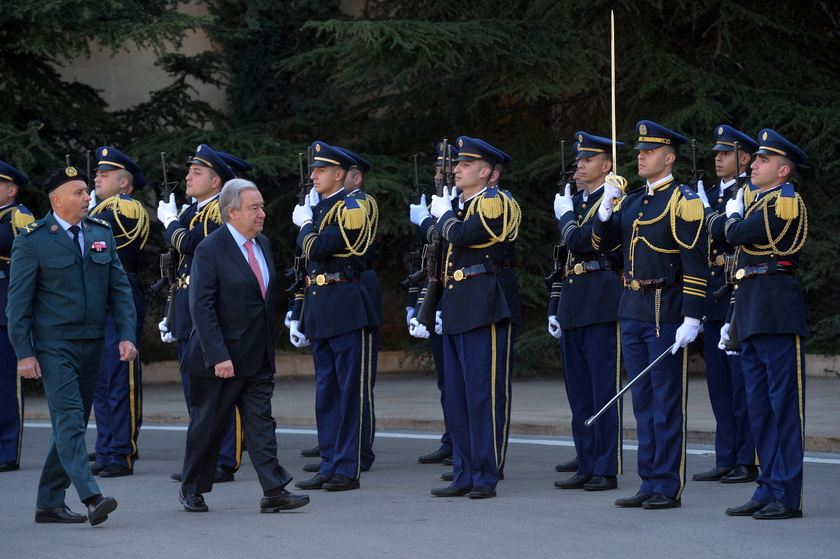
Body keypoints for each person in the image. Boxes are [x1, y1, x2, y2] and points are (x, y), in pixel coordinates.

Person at [6, 166, 137, 526]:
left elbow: (119, 289)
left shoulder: (101, 233)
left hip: (93, 342)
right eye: (79, 192)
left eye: (86, 191)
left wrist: (127, 334)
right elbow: (18, 304)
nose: (87, 197)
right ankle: (92, 496)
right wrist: (24, 352)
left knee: (71, 425)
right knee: (69, 420)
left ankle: (48, 502)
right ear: (58, 199)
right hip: (53, 345)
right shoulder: (32, 239)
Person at [593, 121, 708, 509]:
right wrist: (606, 206)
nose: (640, 156)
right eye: (639, 150)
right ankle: (648, 481)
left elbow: (696, 262)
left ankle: (667, 485)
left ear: (669, 157)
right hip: (632, 308)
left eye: (649, 151)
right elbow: (601, 244)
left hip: (666, 310)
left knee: (665, 401)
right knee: (641, 402)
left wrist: (693, 315)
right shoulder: (631, 200)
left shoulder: (683, 200)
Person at [178, 179, 309, 513]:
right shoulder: (210, 248)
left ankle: (274, 492)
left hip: (257, 357)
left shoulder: (262, 244)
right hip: (220, 360)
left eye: (262, 206)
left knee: (261, 425)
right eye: (254, 208)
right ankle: (192, 489)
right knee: (207, 427)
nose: (262, 213)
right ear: (231, 212)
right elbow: (201, 307)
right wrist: (218, 355)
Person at [424, 136, 522, 499]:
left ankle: (485, 474)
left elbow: (467, 235)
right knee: (459, 396)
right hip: (457, 306)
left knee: (483, 394)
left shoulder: (495, 201)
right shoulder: (459, 205)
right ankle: (463, 472)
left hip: (485, 305)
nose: (456, 169)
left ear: (486, 173)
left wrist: (444, 214)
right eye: (457, 164)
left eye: (465, 165)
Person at [721, 129, 808, 520]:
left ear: (783, 170)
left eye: (762, 161)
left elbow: (735, 234)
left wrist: (734, 213)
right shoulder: (756, 201)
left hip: (775, 305)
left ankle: (787, 494)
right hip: (752, 303)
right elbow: (729, 247)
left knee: (782, 406)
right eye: (754, 159)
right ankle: (767, 486)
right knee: (759, 408)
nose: (752, 164)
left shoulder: (784, 201)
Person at [290, 141, 380, 492]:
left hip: (346, 304)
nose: (313, 176)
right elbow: (307, 263)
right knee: (326, 390)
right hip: (321, 303)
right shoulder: (322, 208)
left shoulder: (356, 204)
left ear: (340, 175)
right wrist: (298, 309)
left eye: (321, 170)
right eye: (314, 170)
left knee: (349, 391)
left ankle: (348, 465)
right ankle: (329, 461)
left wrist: (305, 224)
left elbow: (320, 247)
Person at [157, 144, 244, 483]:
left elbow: (192, 246)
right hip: (187, 310)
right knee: (195, 392)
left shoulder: (217, 213)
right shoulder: (196, 213)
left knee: (220, 390)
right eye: (189, 171)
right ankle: (203, 457)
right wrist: (171, 311)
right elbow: (183, 270)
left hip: (209, 314)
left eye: (196, 172)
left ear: (216, 180)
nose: (187, 177)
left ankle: (224, 459)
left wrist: (170, 222)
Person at [551, 132, 624, 491]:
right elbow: (561, 259)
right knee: (578, 391)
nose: (579, 165)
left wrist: (564, 219)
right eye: (578, 159)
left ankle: (606, 466)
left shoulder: (614, 201)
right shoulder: (577, 202)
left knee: (602, 389)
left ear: (606, 166)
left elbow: (581, 241)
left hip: (601, 298)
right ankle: (586, 460)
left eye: (587, 159)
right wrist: (554, 304)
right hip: (574, 300)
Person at [692, 126, 759, 484]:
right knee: (718, 383)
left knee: (741, 382)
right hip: (713, 295)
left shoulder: (750, 192)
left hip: (738, 294)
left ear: (744, 159)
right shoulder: (712, 193)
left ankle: (747, 459)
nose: (717, 158)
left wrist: (707, 216)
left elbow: (730, 235)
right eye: (715, 153)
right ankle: (726, 455)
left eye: (725, 153)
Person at [88, 146, 150, 478]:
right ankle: (107, 445)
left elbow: (99, 239)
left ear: (124, 183)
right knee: (101, 379)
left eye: (105, 174)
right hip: (98, 300)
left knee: (119, 378)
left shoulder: (124, 207)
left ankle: (122, 451)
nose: (96, 178)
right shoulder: (96, 210)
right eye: (97, 173)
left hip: (119, 299)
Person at [409, 142, 458, 468]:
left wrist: (426, 221)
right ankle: (451, 439)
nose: (439, 175)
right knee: (446, 380)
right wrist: (417, 305)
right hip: (436, 301)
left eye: (445, 169)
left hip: (459, 301)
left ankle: (464, 446)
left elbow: (448, 239)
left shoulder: (460, 207)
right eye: (438, 169)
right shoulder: (439, 204)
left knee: (462, 380)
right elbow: (427, 262)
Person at [0, 160, 34, 473]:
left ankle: (8, 451)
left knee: (7, 386)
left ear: (11, 189)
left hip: (6, 309)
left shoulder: (17, 215)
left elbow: (29, 253)